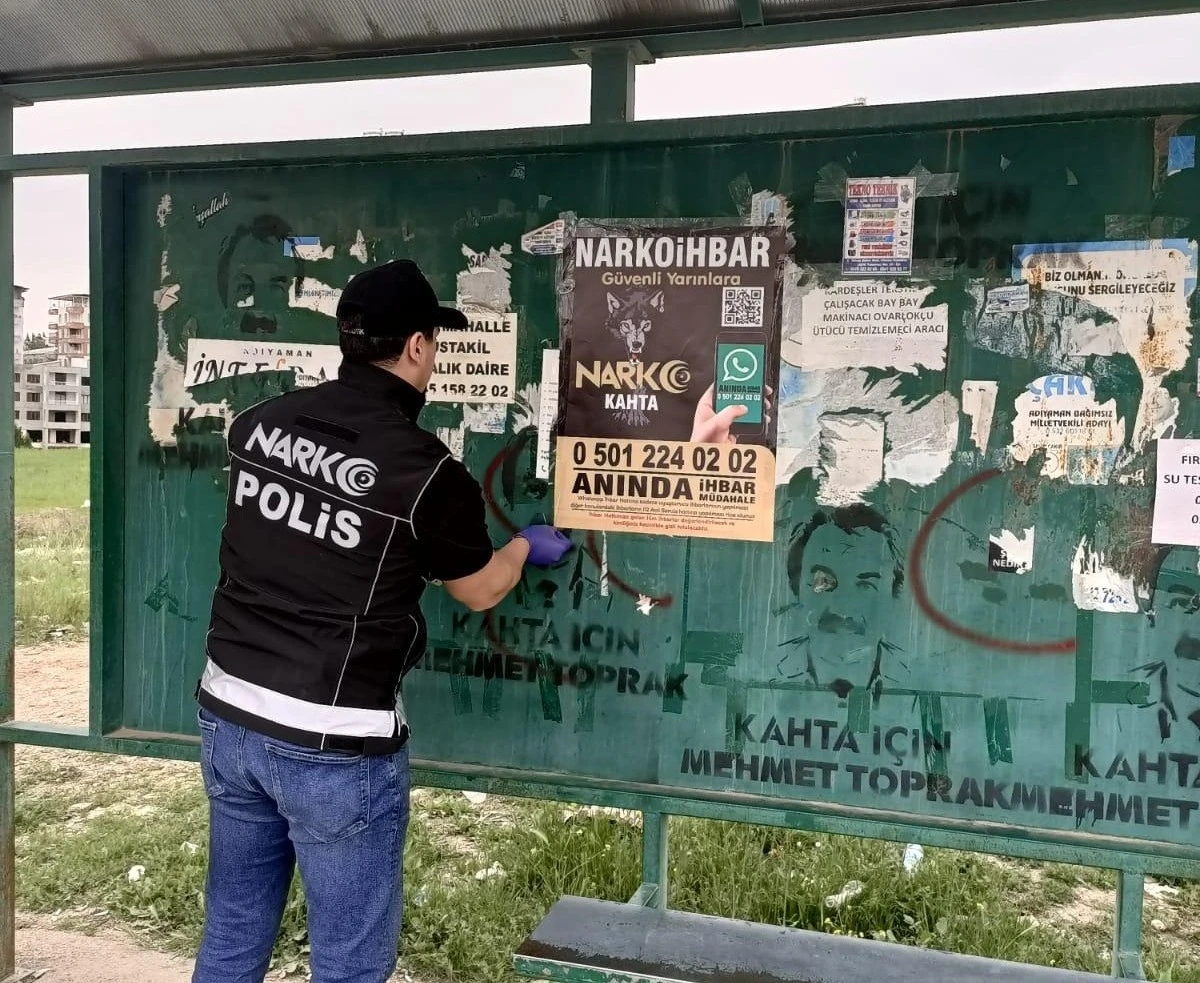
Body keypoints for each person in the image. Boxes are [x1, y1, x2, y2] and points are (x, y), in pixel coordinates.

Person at [190, 259, 573, 983]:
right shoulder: (425, 472)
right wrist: (526, 546)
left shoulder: (259, 425)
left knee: (235, 926)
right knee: (349, 962)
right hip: (333, 738)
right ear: (419, 346)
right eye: (435, 342)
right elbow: (481, 589)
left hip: (231, 712)